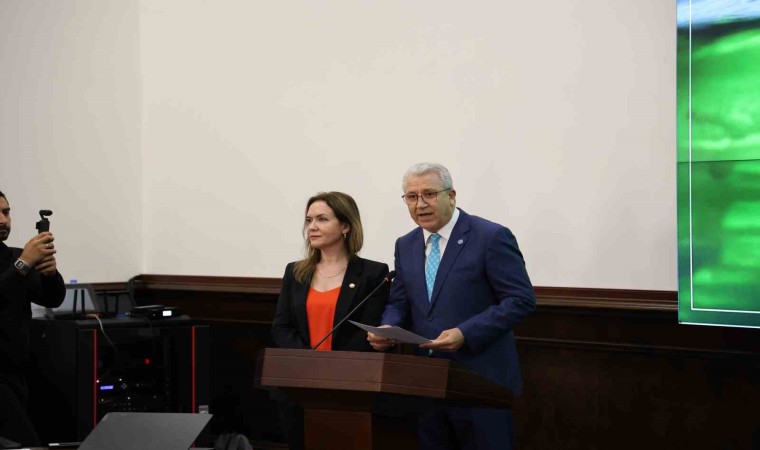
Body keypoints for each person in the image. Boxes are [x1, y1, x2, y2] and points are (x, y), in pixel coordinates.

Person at [368, 163, 536, 450]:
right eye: (411, 197)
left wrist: (465, 333)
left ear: (452, 195)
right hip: (426, 384)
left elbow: (520, 299)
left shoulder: (491, 236)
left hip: (481, 382)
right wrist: (388, 327)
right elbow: (399, 300)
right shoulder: (405, 244)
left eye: (429, 194)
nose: (420, 204)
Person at [270, 191, 390, 449]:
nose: (312, 227)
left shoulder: (373, 273)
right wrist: (309, 362)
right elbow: (281, 327)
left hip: (349, 387)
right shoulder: (295, 271)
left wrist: (332, 369)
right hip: (299, 385)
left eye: (322, 219)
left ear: (345, 226)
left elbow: (367, 331)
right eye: (309, 220)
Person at [0, 190, 65, 446]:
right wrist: (24, 262)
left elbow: (52, 299)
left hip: (18, 374)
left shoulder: (12, 256)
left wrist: (50, 274)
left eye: (6, 212)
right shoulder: (20, 260)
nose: (3, 220)